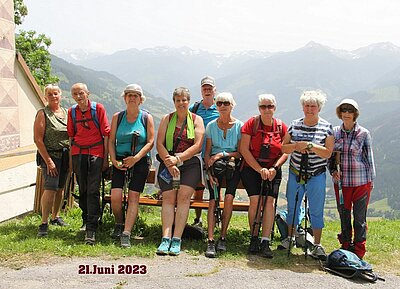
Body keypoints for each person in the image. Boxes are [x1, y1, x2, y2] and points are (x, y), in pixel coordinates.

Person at [281, 90, 334, 261]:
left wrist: (310, 146)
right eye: (307, 106)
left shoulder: (327, 127)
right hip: (296, 172)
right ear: (302, 107)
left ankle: (317, 245)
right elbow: (284, 147)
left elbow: (327, 153)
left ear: (319, 108)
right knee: (293, 207)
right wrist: (297, 146)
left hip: (316, 175)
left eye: (313, 106)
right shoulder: (294, 125)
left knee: (316, 210)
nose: (310, 109)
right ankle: (289, 238)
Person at [156, 87, 205, 256]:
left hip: (189, 163)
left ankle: (177, 239)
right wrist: (170, 163)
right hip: (168, 161)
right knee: (168, 198)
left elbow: (197, 145)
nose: (181, 103)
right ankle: (165, 238)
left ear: (189, 101)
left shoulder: (197, 120)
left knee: (184, 198)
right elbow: (159, 144)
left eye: (184, 100)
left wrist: (179, 159)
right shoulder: (166, 119)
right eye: (178, 100)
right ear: (174, 102)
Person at [240, 94, 288, 258]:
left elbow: (286, 151)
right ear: (259, 108)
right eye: (263, 107)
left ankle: (265, 241)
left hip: (274, 168)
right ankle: (254, 238)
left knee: (269, 202)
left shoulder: (281, 127)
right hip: (252, 167)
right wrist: (259, 169)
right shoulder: (251, 124)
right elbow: (244, 149)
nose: (267, 109)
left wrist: (274, 168)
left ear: (274, 108)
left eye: (270, 106)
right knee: (255, 200)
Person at [108, 84, 155, 248]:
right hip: (120, 160)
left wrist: (135, 158)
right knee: (115, 197)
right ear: (125, 98)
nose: (132, 98)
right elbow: (111, 140)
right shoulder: (117, 117)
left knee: (134, 197)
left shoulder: (146, 118)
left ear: (141, 99)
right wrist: (113, 160)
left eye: (135, 95)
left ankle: (126, 233)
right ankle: (119, 223)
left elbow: (150, 142)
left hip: (140, 160)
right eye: (129, 95)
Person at [328, 99, 375, 259]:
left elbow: (369, 159)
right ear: (340, 113)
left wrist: (371, 181)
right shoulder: (334, 132)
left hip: (361, 182)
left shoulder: (364, 133)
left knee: (360, 218)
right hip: (341, 184)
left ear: (355, 113)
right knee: (344, 215)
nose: (346, 113)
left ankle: (359, 250)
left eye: (350, 110)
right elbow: (330, 156)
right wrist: (333, 170)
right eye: (344, 110)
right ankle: (346, 245)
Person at [67, 83, 110, 245]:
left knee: (93, 189)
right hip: (78, 153)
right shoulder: (72, 112)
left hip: (96, 153)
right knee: (83, 189)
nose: (79, 96)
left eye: (81, 93)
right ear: (73, 96)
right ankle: (86, 219)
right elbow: (71, 136)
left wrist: (106, 158)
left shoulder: (98, 109)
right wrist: (72, 161)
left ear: (88, 94)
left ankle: (92, 227)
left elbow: (106, 134)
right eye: (76, 94)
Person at [203, 92, 243, 258]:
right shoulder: (211, 126)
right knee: (213, 200)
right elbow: (207, 153)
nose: (222, 106)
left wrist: (222, 155)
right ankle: (211, 240)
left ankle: (223, 236)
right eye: (219, 103)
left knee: (228, 199)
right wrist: (209, 171)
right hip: (215, 168)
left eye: (226, 103)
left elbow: (240, 153)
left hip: (233, 165)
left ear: (232, 105)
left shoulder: (240, 126)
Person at [34, 84, 70, 237]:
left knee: (61, 187)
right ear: (45, 97)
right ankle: (43, 222)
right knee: (50, 188)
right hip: (50, 155)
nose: (53, 96)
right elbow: (38, 139)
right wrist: (48, 161)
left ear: (60, 95)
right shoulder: (43, 113)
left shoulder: (68, 113)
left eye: (56, 93)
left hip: (66, 155)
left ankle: (55, 216)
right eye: (50, 94)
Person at [189, 76, 220, 227]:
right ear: (201, 90)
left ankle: (214, 220)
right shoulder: (193, 109)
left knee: (214, 187)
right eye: (204, 88)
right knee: (198, 188)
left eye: (210, 88)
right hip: (195, 154)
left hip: (213, 156)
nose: (207, 91)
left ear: (215, 90)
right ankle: (198, 218)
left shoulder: (220, 108)